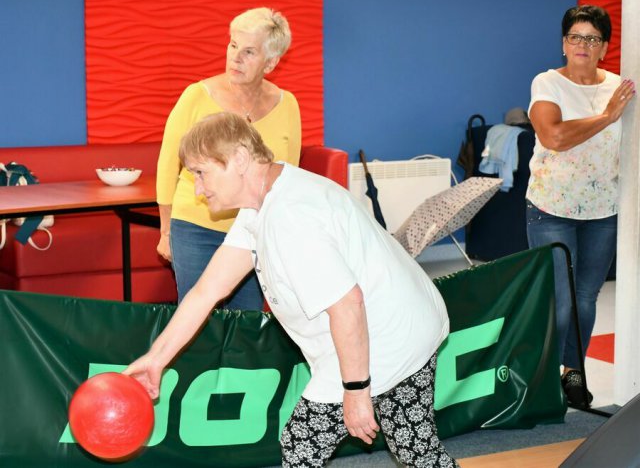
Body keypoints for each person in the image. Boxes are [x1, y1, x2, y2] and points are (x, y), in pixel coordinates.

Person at [125, 113, 458, 467]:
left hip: (386, 333)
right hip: (405, 320)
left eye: (201, 173)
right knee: (418, 452)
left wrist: (356, 391)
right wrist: (156, 360)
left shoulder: (290, 217)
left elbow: (348, 305)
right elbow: (208, 290)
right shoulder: (263, 198)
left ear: (239, 159)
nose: (197, 189)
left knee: (301, 446)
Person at [526, 5, 635, 408]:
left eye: (592, 38)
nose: (582, 45)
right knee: (560, 300)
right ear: (563, 44)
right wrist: (607, 117)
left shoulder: (619, 88)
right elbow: (553, 135)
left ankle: (573, 372)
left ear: (605, 47)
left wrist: (613, 111)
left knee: (586, 298)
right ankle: (540, 384)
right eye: (575, 36)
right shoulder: (548, 83)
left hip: (601, 213)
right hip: (551, 208)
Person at [156, 7, 301, 308]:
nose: (235, 57)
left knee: (243, 327)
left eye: (248, 51)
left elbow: (287, 177)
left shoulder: (287, 105)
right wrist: (166, 230)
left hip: (251, 233)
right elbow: (168, 164)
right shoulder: (196, 95)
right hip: (195, 227)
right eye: (233, 45)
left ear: (271, 62)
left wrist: (280, 236)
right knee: (197, 323)